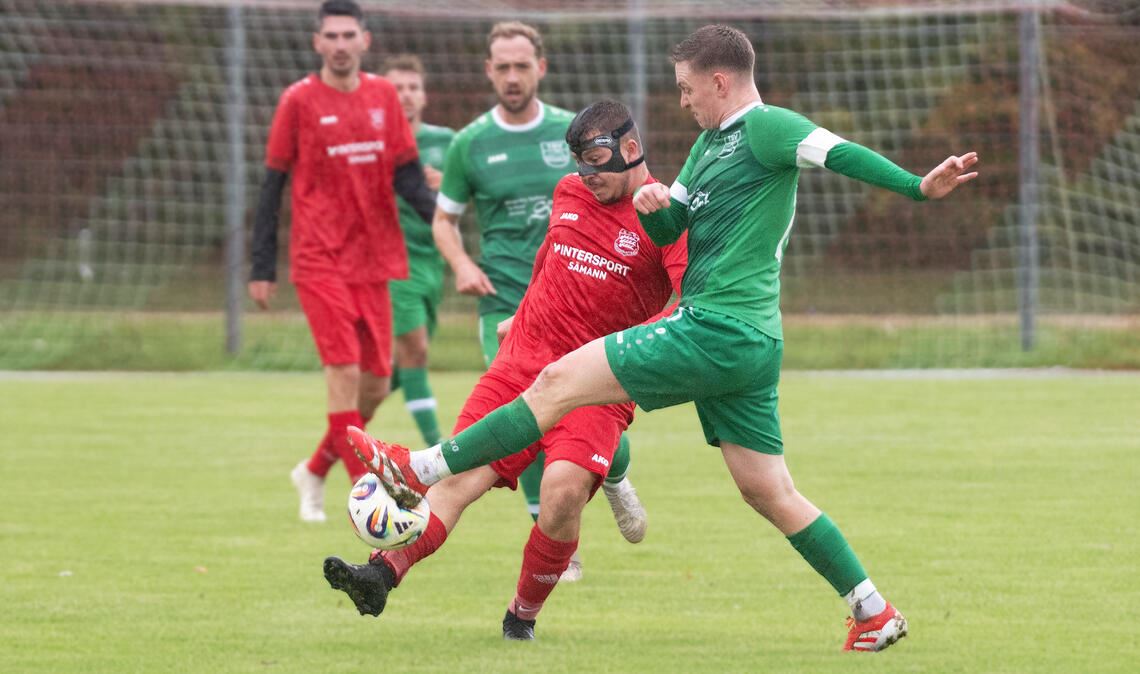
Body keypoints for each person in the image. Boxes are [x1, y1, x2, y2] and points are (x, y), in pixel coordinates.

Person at [354, 25, 981, 651]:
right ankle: (872, 610)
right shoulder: (706, 148)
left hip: (715, 324)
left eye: (686, 88)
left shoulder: (766, 127)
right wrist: (656, 209)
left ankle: (420, 466)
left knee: (557, 381)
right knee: (768, 489)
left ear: (719, 81)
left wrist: (917, 187)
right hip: (752, 344)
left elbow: (836, 151)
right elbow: (670, 227)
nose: (681, 101)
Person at [324, 100, 686, 641]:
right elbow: (551, 257)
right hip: (522, 362)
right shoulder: (570, 192)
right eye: (579, 163)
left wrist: (635, 355)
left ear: (630, 149)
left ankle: (522, 616)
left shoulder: (667, 218)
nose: (586, 175)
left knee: (561, 494)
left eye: (595, 161)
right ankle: (380, 575)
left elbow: (684, 304)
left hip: (595, 383)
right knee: (459, 477)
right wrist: (521, 312)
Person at [429, 21, 646, 579]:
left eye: (521, 65)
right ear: (488, 71)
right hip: (505, 300)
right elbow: (444, 221)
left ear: (540, 68)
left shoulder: (575, 137)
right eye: (501, 66)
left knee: (579, 408)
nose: (512, 76)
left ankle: (614, 471)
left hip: (585, 302)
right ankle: (552, 536)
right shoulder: (469, 143)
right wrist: (462, 265)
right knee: (522, 414)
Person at [248, 0, 437, 522]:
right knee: (344, 371)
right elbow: (272, 184)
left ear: (364, 41)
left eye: (347, 35)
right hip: (319, 257)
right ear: (317, 43)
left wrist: (441, 223)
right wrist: (261, 264)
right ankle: (369, 498)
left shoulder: (383, 97)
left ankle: (314, 469)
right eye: (330, 36)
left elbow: (408, 176)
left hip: (374, 258)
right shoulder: (298, 100)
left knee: (375, 383)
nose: (339, 45)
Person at [381, 53, 455, 448]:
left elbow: (469, 199)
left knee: (400, 365)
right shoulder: (372, 144)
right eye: (397, 88)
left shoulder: (447, 143)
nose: (406, 95)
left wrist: (448, 187)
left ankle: (335, 438)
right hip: (391, 263)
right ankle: (436, 451)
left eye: (413, 88)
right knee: (417, 351)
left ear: (424, 96)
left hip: (432, 262)